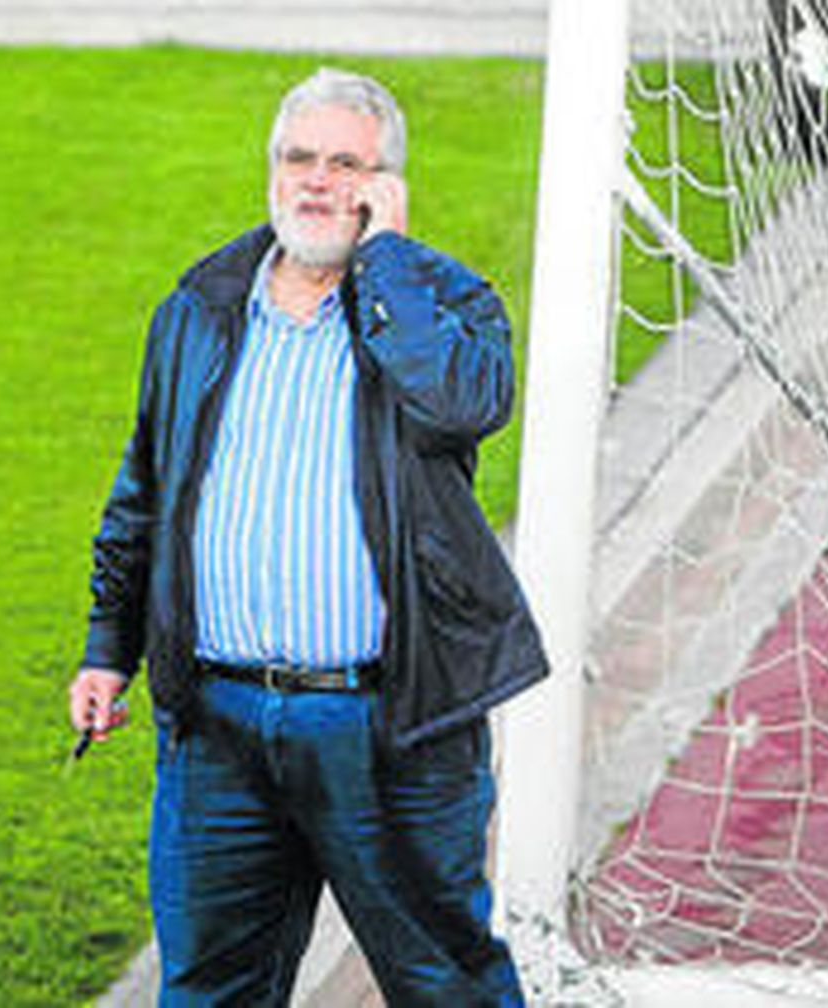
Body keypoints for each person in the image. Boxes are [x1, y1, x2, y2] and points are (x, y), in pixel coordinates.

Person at [68, 67, 548, 1006]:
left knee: (445, 985)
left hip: (388, 730)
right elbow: (146, 490)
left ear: (387, 185)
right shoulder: (199, 308)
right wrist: (106, 651)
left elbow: (461, 403)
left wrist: (391, 263)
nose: (318, 181)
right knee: (209, 989)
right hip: (218, 730)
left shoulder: (446, 303)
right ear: (271, 171)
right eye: (299, 158)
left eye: (347, 163)